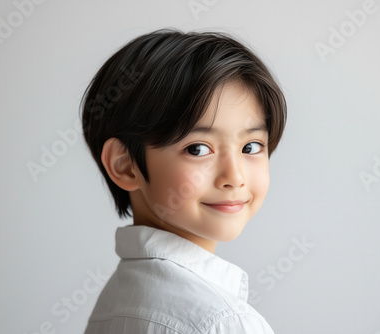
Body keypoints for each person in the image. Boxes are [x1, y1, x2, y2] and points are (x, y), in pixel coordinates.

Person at [81, 28, 287, 334]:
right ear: (125, 165)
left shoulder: (114, 304)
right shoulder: (224, 323)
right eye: (198, 149)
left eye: (251, 147)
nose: (235, 176)